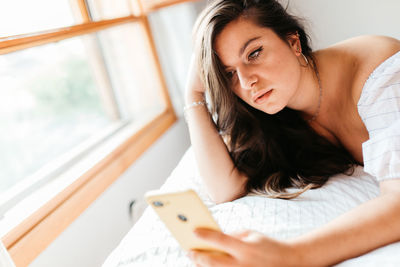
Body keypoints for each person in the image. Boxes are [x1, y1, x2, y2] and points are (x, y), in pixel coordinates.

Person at [183, 0, 400, 266]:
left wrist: (292, 255)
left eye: (254, 53)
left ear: (293, 42)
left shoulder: (382, 73)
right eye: (229, 73)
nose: (246, 81)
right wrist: (193, 96)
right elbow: (225, 189)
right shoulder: (279, 116)